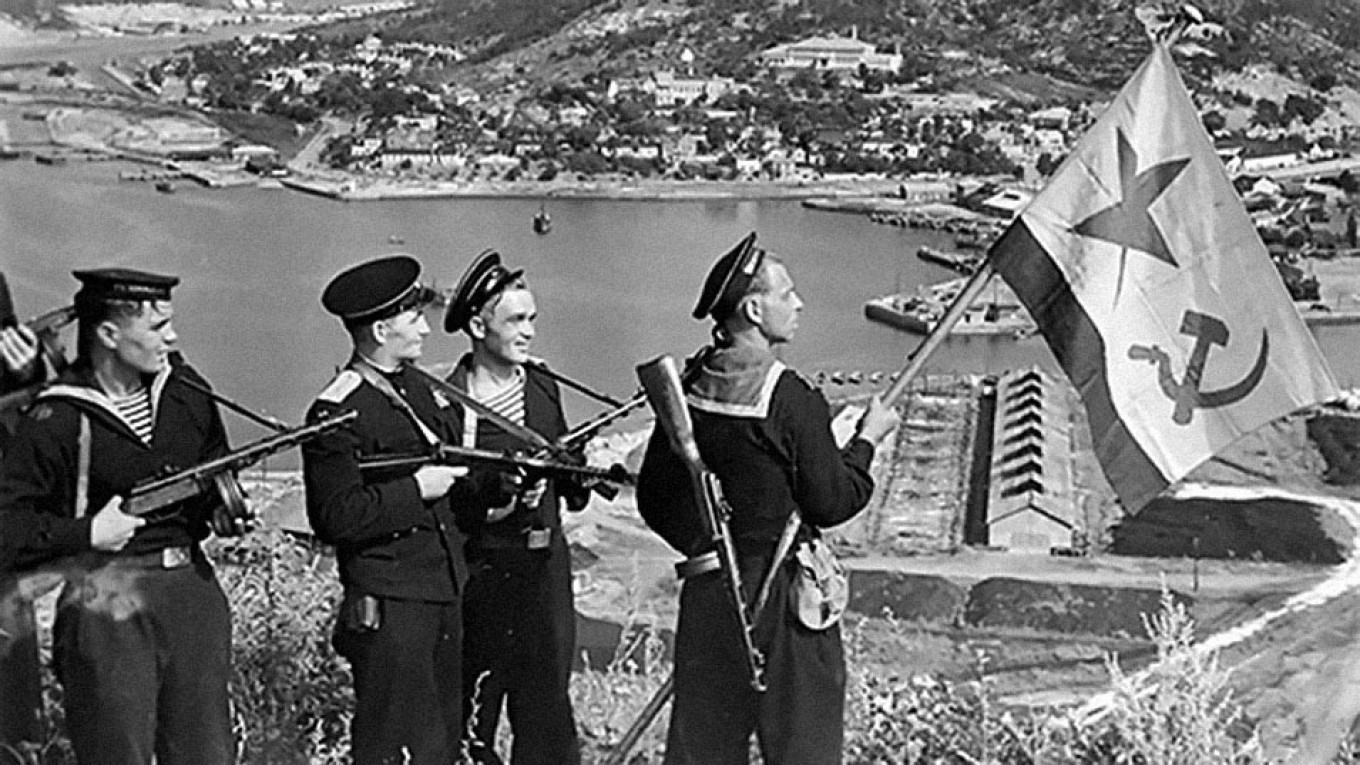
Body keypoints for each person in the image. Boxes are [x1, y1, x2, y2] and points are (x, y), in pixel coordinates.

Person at [636, 232, 900, 765]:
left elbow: (654, 498)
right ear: (754, 309)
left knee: (704, 748)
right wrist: (868, 440)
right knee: (803, 744)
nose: (799, 303)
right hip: (784, 599)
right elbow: (832, 501)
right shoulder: (790, 398)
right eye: (788, 294)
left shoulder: (687, 387)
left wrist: (709, 542)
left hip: (710, 590)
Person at [0, 268, 241, 765]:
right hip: (105, 602)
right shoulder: (57, 417)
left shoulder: (187, 392)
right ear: (108, 334)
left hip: (190, 592)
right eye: (156, 328)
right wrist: (87, 532)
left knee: (206, 750)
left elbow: (217, 465)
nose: (171, 337)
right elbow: (9, 527)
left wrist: (220, 510)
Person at [302, 254, 479, 765]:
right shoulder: (336, 410)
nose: (426, 327)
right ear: (381, 329)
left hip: (442, 589)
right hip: (390, 601)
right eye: (413, 319)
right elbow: (335, 516)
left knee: (441, 741)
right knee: (392, 744)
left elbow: (455, 472)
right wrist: (415, 490)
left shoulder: (421, 389)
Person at [441, 250, 590, 765]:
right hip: (480, 578)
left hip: (543, 573)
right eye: (517, 321)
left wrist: (572, 470)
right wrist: (497, 487)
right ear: (479, 327)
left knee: (548, 714)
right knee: (470, 712)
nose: (529, 332)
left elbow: (572, 482)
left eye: (533, 319)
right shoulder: (447, 403)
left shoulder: (543, 385)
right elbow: (447, 499)